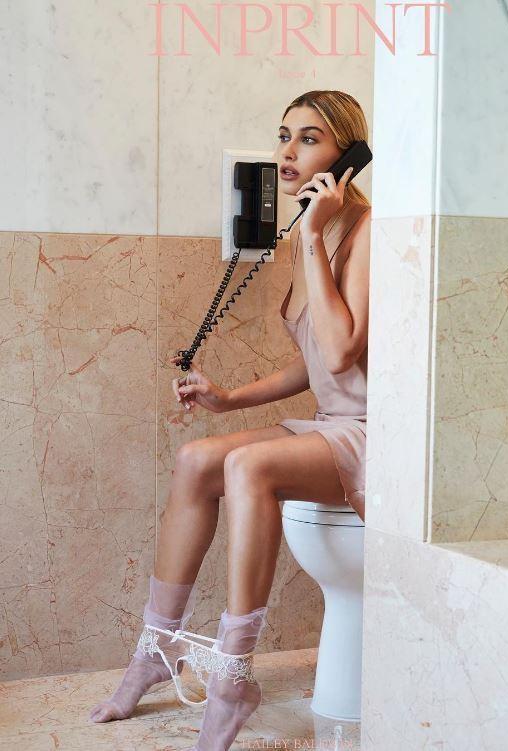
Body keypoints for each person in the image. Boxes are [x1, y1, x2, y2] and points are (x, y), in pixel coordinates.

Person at [89, 89, 372, 751]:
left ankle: (232, 675)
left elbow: (340, 352)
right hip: (329, 423)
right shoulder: (311, 231)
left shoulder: (364, 232)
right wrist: (228, 398)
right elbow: (312, 362)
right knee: (195, 460)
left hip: (373, 433)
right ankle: (157, 647)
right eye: (284, 135)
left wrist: (313, 237)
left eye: (309, 139)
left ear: (348, 155)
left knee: (248, 465)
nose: (287, 152)